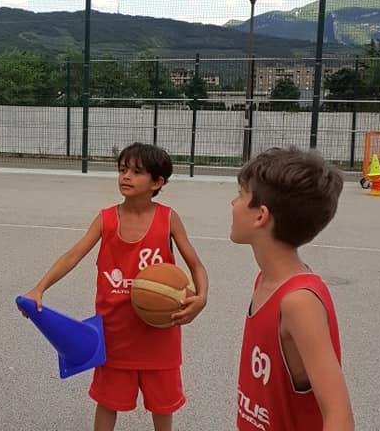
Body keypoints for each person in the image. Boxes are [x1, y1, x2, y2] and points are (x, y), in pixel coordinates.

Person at [22, 142, 209, 431]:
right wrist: (39, 288)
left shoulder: (168, 219)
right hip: (114, 334)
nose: (126, 177)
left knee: (162, 407)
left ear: (157, 182)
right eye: (123, 170)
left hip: (159, 335)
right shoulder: (107, 218)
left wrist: (202, 297)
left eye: (136, 172)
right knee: (107, 404)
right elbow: (73, 255)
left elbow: (196, 264)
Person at [230, 147, 354, 431]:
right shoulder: (266, 280)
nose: (232, 202)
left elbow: (340, 415)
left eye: (241, 195)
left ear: (261, 216)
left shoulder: (298, 302)